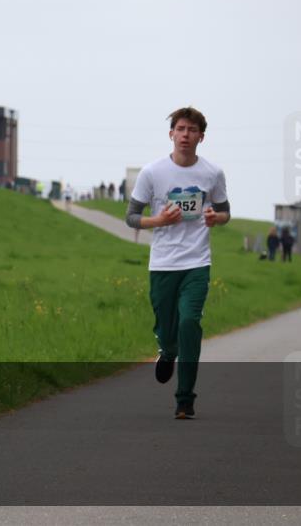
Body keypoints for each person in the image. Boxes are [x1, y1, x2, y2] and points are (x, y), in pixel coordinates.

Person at [125, 107, 230, 420]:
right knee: (166, 326)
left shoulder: (212, 173)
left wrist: (215, 217)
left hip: (197, 262)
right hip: (162, 264)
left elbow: (226, 212)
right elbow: (131, 216)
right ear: (171, 134)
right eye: (181, 129)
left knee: (189, 323)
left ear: (201, 137)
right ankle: (167, 352)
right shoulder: (152, 173)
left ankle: (185, 399)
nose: (186, 135)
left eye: (192, 130)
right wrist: (158, 219)